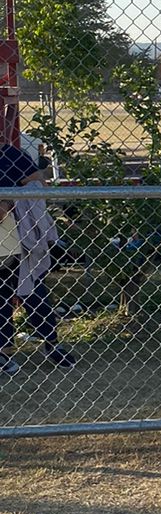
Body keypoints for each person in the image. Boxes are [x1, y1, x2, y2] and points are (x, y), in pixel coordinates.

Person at [0, 140, 74, 375]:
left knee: (32, 289)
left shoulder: (8, 154)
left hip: (11, 238)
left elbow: (37, 182)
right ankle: (3, 351)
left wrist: (10, 201)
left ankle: (51, 343)